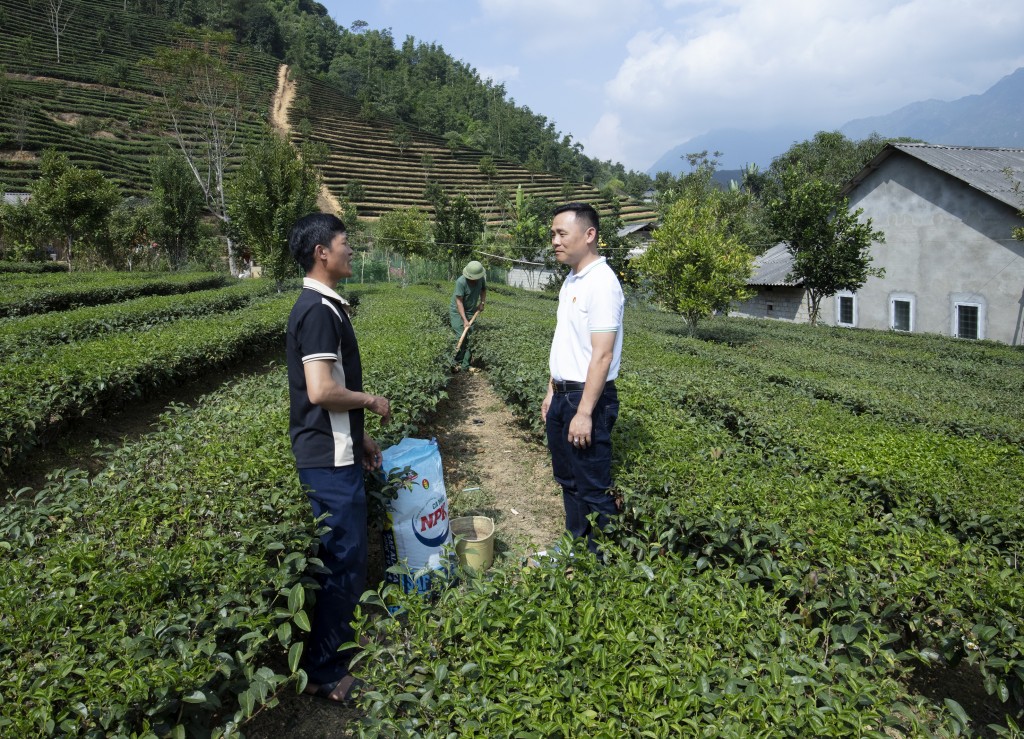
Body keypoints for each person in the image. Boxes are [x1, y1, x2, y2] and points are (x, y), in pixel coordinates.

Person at [285, 213, 392, 703]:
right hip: (326, 460)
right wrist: (369, 401)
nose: (352, 250)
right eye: (345, 243)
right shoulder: (318, 311)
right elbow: (323, 389)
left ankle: (333, 656)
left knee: (345, 558)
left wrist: (361, 435)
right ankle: (325, 671)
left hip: (339, 449)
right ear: (321, 253)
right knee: (341, 559)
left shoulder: (328, 306)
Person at [541, 203, 624, 555]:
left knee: (592, 488)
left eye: (562, 234)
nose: (555, 242)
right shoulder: (574, 279)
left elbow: (601, 354)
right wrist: (551, 391)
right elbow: (567, 342)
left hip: (585, 399)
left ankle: (604, 563)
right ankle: (576, 549)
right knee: (568, 481)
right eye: (553, 235)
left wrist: (585, 412)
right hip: (564, 395)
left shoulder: (603, 284)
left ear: (589, 235)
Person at [449, 260, 487, 372]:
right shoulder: (461, 282)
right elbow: (459, 302)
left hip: (472, 311)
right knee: (461, 335)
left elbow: (484, 290)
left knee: (470, 337)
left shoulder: (481, 279)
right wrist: (465, 320)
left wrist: (482, 302)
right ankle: (455, 362)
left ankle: (465, 365)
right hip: (457, 311)